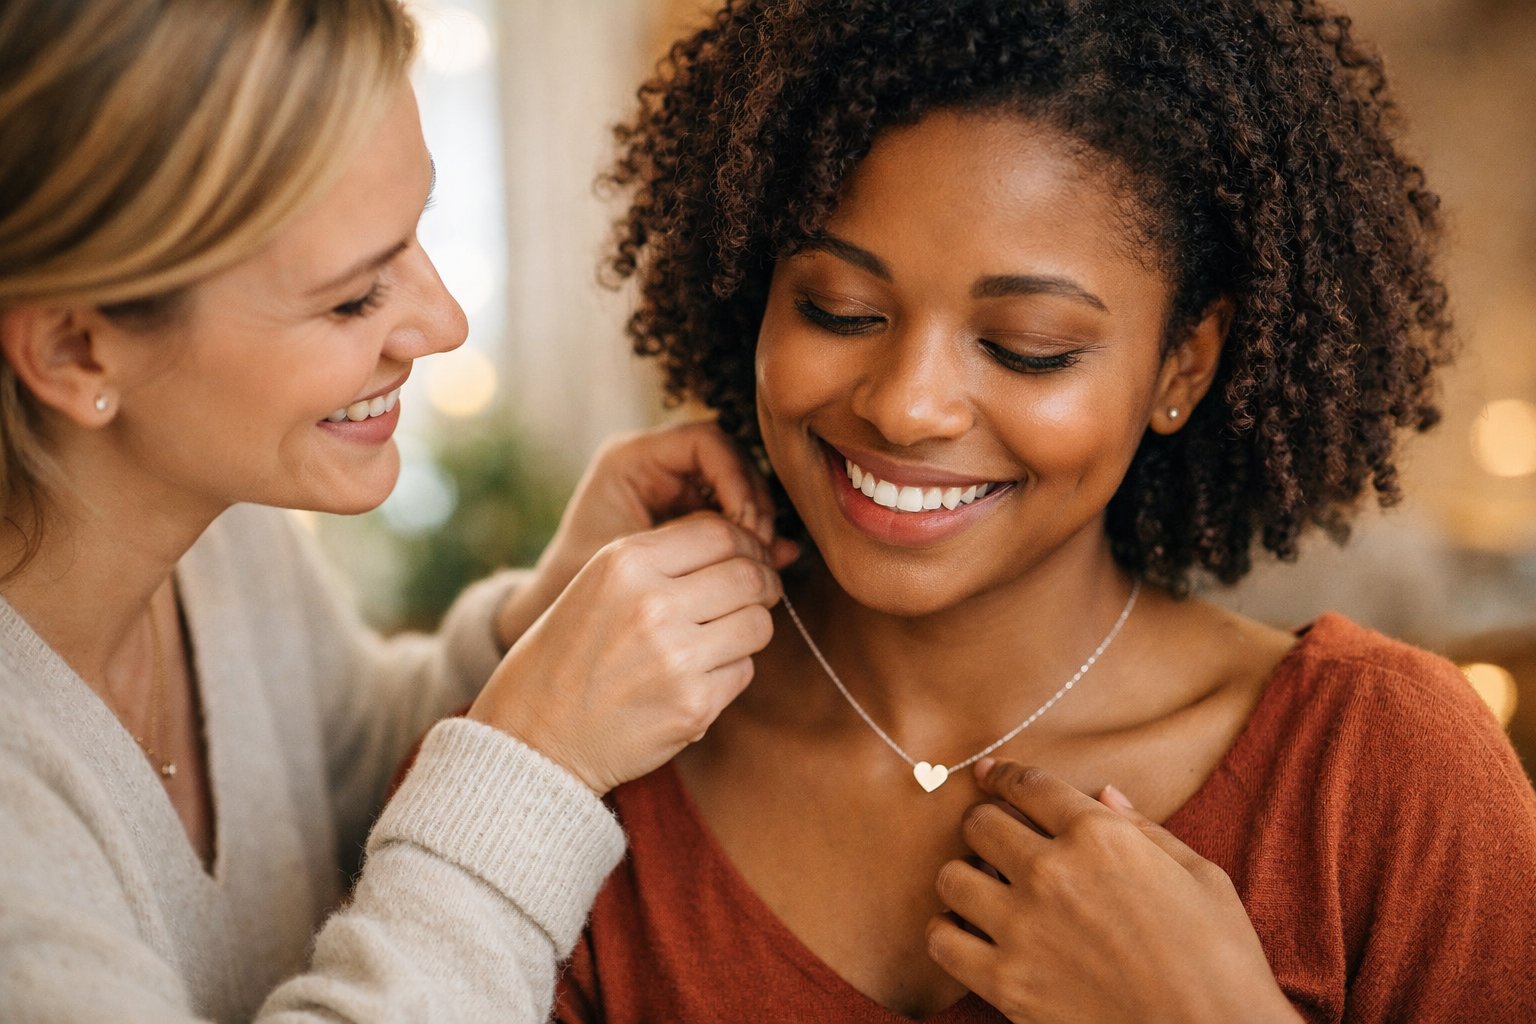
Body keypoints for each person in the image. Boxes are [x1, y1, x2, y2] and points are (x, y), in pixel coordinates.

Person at [558, 0, 1536, 1021]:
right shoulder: (593, 751)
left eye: (1028, 345)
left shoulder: (1385, 777)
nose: (906, 403)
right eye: (838, 309)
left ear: (1184, 367)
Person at [0, 1, 796, 1020]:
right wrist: (538, 758)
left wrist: (535, 623)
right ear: (75, 351)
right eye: (350, 299)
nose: (445, 323)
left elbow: (332, 770)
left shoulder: (220, 530)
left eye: (415, 235)